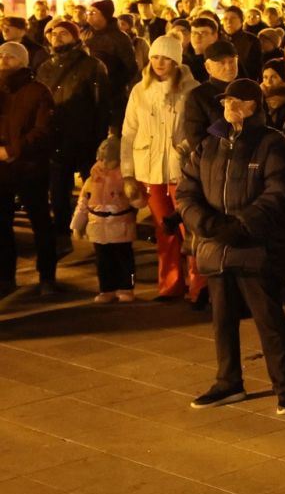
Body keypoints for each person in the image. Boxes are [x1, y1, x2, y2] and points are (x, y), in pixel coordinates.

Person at [179, 79, 285, 414]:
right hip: (215, 246)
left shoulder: (272, 143)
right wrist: (207, 225)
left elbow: (281, 192)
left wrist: (241, 225)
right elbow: (186, 191)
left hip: (255, 248)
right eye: (226, 101)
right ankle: (228, 382)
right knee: (222, 320)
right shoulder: (209, 144)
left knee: (268, 319)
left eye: (238, 101)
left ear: (254, 106)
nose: (230, 106)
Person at [121, 34, 199, 301]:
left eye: (166, 58)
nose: (159, 62)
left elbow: (200, 128)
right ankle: (170, 285)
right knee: (163, 230)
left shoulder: (190, 90)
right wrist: (128, 172)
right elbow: (129, 132)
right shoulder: (139, 91)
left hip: (182, 172)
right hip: (150, 171)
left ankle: (199, 286)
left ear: (176, 61)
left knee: (190, 230)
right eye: (155, 56)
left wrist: (183, 148)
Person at [38, 17, 112, 242]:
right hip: (56, 138)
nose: (56, 37)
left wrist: (100, 138)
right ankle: (62, 231)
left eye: (62, 33)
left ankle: (98, 228)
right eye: (52, 33)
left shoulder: (92, 66)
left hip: (84, 136)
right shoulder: (45, 67)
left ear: (74, 36)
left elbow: (102, 105)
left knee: (94, 187)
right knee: (58, 189)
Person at [0, 40, 56, 296]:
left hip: (31, 168)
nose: (3, 60)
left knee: (40, 222)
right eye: (0, 56)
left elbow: (43, 131)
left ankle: (46, 276)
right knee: (2, 224)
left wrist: (13, 150)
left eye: (9, 57)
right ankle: (5, 277)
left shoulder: (38, 91)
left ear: (22, 61)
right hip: (2, 169)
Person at [73, 133, 141, 303]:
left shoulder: (125, 178)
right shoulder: (92, 178)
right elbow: (83, 203)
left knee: (125, 261)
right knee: (103, 262)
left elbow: (138, 201)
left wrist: (135, 194)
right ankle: (106, 289)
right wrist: (77, 224)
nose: (104, 162)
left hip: (120, 226)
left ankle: (127, 287)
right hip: (98, 228)